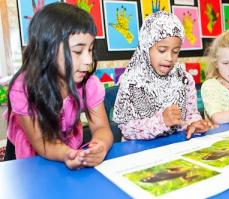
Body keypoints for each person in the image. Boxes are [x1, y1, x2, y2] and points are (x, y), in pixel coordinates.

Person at [4, 3, 113, 169]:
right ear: (48, 50)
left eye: (90, 50)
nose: (88, 60)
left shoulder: (88, 84)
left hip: (68, 146)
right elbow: (41, 142)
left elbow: (101, 127)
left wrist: (101, 145)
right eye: (78, 51)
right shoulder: (23, 88)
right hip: (30, 152)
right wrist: (67, 154)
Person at [113, 11, 215, 140]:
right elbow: (128, 129)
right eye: (162, 50)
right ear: (146, 47)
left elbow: (191, 115)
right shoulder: (132, 82)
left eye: (175, 51)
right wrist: (162, 121)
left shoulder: (184, 80)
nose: (169, 57)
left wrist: (194, 124)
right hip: (139, 151)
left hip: (175, 146)